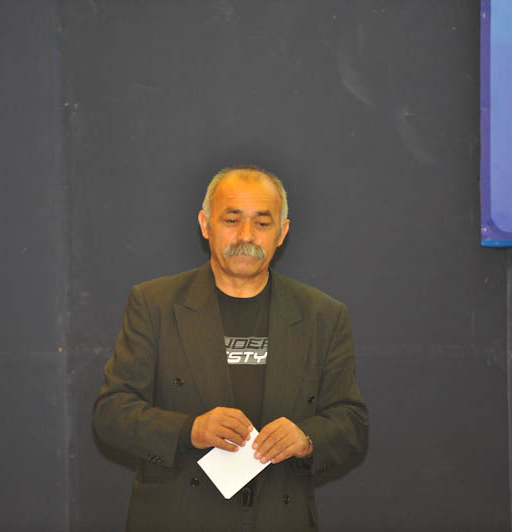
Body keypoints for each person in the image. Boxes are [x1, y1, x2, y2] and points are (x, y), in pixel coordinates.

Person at [93, 165, 368, 531]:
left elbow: (351, 422)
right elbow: (111, 413)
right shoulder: (154, 304)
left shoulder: (323, 315)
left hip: (280, 518)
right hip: (178, 517)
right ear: (205, 224)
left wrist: (307, 438)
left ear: (282, 232)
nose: (246, 235)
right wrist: (189, 429)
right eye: (232, 220)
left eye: (262, 223)